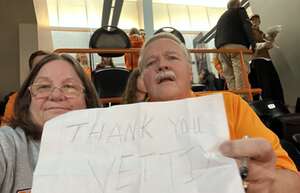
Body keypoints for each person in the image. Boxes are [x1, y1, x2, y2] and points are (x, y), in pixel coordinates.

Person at [138, 32, 300, 193]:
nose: (162, 65)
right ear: (143, 80)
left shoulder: (229, 105)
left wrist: (268, 183)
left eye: (172, 57)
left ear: (189, 71)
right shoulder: (123, 130)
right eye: (151, 62)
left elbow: (293, 182)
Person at [0, 53, 99, 192]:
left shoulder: (112, 147)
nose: (56, 95)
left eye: (69, 86)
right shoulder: (7, 144)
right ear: (28, 99)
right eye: (44, 86)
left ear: (87, 99)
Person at [215, 0, 256, 91]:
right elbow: (247, 25)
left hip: (221, 49)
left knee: (230, 76)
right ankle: (244, 101)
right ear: (238, 5)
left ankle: (235, 100)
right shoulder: (240, 10)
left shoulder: (222, 17)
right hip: (237, 46)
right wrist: (253, 44)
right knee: (241, 74)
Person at [1, 50, 50, 126]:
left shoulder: (64, 98)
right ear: (31, 73)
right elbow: (5, 127)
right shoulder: (16, 99)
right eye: (38, 67)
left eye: (47, 65)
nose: (43, 70)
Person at [248, 14, 285, 103]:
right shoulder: (250, 32)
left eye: (257, 20)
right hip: (258, 60)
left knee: (275, 84)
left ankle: (279, 105)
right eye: (253, 20)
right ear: (250, 22)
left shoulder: (261, 33)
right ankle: (268, 107)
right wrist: (264, 44)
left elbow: (269, 45)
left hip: (267, 59)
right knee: (265, 86)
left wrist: (273, 37)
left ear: (259, 21)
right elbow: (251, 46)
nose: (255, 22)